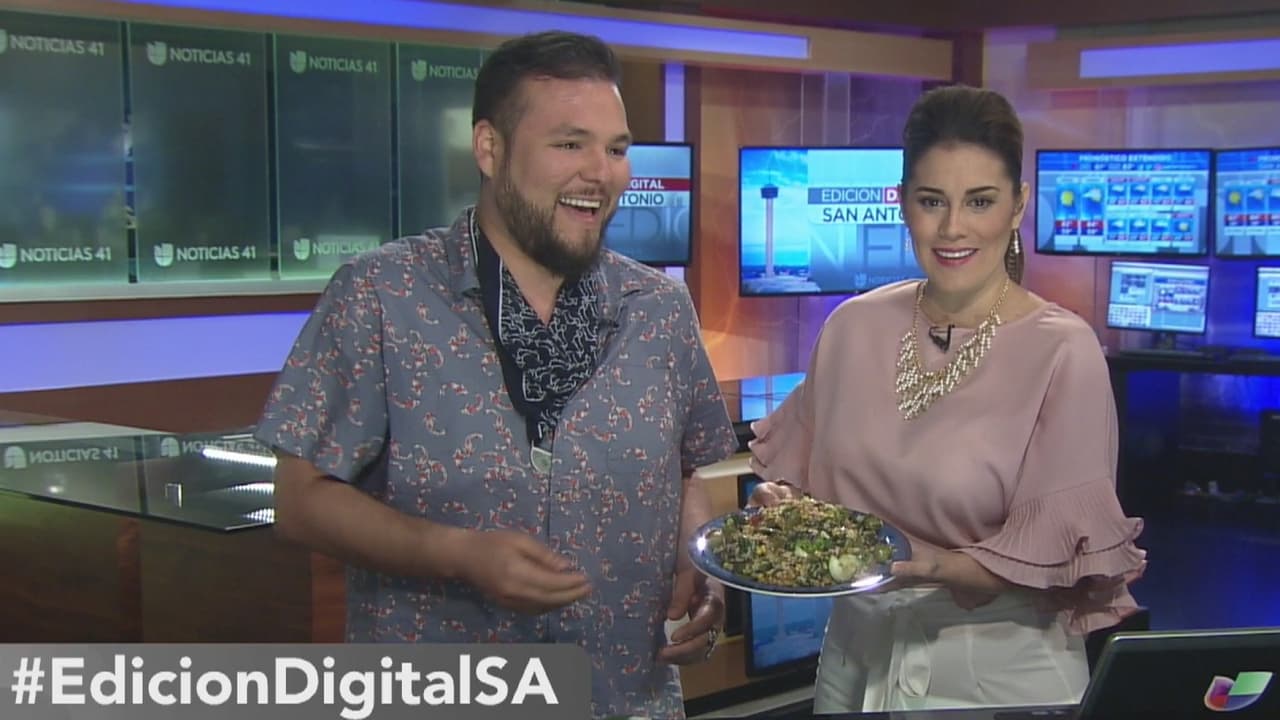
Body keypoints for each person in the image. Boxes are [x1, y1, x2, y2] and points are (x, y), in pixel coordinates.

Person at [254, 30, 737, 720]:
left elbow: (688, 472)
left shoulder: (658, 309)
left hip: (622, 699)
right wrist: (458, 554)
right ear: (489, 148)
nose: (600, 173)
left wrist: (702, 569)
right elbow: (300, 501)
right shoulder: (383, 296)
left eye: (616, 149)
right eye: (569, 144)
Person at [746, 85, 1147, 713]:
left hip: (998, 672)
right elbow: (813, 490)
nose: (953, 227)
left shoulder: (1064, 351)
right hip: (854, 659)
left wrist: (921, 565)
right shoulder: (852, 327)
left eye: (979, 201)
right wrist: (787, 507)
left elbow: (1057, 559)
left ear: (1018, 205)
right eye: (932, 201)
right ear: (902, 202)